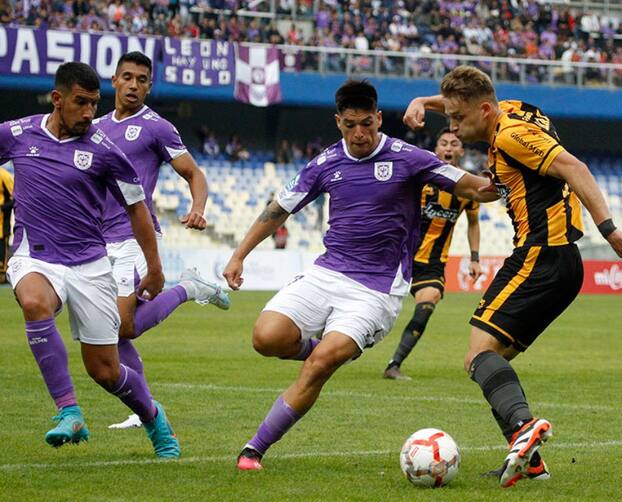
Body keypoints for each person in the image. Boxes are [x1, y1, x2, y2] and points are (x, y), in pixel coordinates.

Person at [222, 79, 498, 471]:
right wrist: (239, 256)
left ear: (379, 118)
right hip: (326, 273)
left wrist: (514, 167)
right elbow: (278, 209)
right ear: (338, 122)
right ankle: (325, 350)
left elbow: (477, 189)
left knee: (318, 366)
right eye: (350, 124)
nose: (360, 133)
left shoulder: (409, 158)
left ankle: (254, 449)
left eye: (367, 123)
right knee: (265, 338)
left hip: (376, 291)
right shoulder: (325, 163)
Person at [404, 65, 622, 488]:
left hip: (541, 255)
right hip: (559, 263)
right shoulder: (510, 112)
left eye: (458, 119)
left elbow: (576, 168)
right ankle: (529, 461)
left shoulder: (510, 136)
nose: (454, 127)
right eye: (449, 118)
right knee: (485, 361)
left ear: (484, 110)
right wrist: (422, 102)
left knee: (479, 356)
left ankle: (524, 428)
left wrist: (610, 231)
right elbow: (482, 183)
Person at [1, 62, 179, 457]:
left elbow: (138, 210)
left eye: (93, 104)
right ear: (57, 99)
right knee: (33, 302)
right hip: (37, 257)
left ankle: (153, 417)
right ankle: (69, 411)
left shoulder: (104, 151)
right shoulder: (17, 134)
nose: (88, 113)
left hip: (90, 265)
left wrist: (154, 268)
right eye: (80, 103)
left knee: (105, 371)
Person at [94, 52, 231, 430]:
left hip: (135, 237)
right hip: (97, 241)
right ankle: (144, 408)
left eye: (141, 79)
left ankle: (188, 288)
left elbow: (194, 173)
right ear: (115, 81)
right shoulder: (96, 126)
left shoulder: (157, 127)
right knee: (111, 331)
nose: (134, 85)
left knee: (122, 326)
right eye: (127, 77)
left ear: (149, 85)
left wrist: (198, 206)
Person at [383, 127, 482, 381]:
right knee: (373, 310)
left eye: (454, 143)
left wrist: (474, 257)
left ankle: (394, 365)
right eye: (443, 143)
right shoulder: (421, 178)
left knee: (427, 304)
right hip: (400, 256)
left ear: (461, 150)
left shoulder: (467, 189)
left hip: (433, 264)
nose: (448, 147)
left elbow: (473, 223)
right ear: (436, 149)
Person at [0, 166, 12, 282]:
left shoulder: (5, 175)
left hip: (2, 225)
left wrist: (1, 208)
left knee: (2, 252)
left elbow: (15, 199)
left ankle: (2, 275)